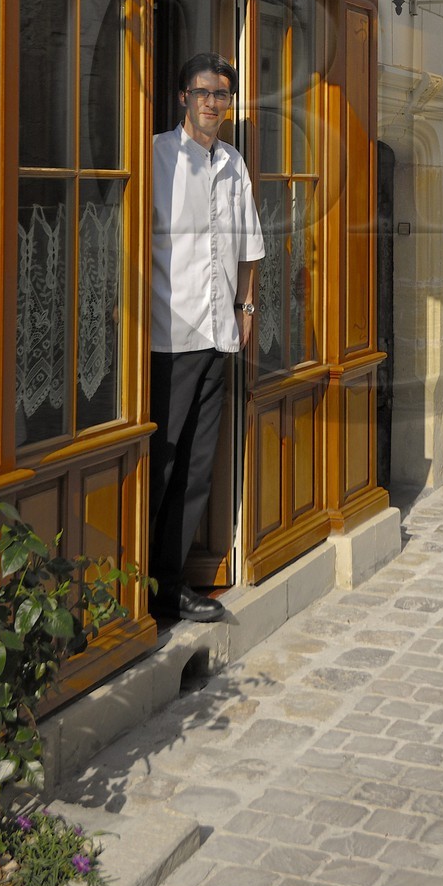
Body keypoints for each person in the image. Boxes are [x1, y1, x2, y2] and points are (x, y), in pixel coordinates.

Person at [149, 52, 265, 622]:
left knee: (196, 468)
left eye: (222, 95)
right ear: (182, 98)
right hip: (168, 337)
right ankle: (135, 586)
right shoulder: (154, 157)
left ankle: (169, 587)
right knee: (162, 463)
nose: (213, 104)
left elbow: (249, 247)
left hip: (220, 335)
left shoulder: (233, 165)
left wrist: (246, 307)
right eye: (203, 93)